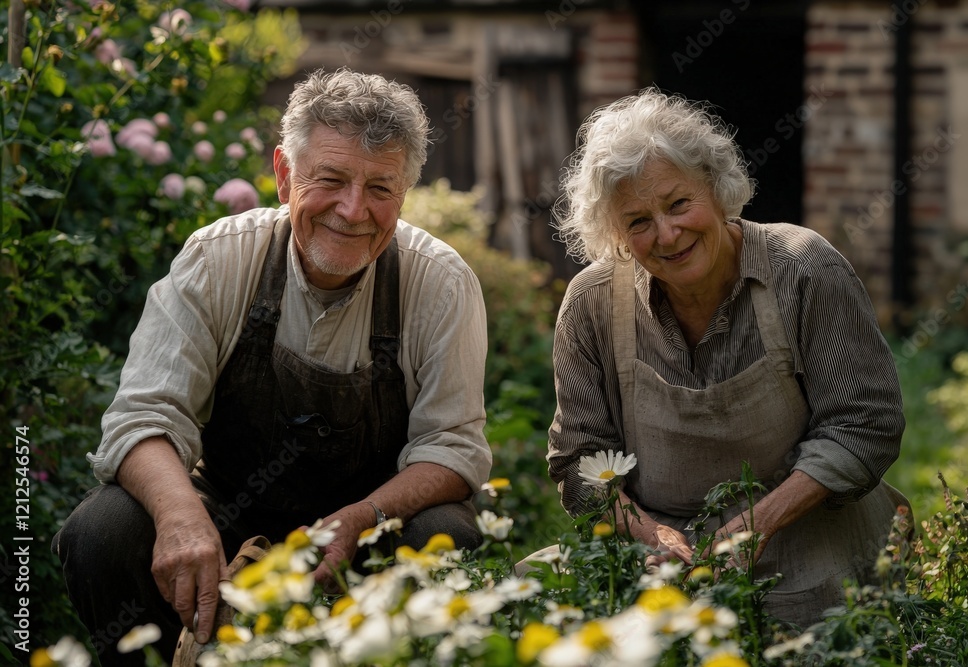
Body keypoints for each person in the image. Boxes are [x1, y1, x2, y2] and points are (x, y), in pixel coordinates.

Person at [54, 68, 491, 665]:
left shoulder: (440, 284)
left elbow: (452, 449)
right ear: (284, 174)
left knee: (448, 536)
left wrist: (361, 518)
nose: (353, 210)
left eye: (381, 189)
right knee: (102, 530)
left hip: (368, 534)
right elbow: (142, 414)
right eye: (331, 180)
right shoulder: (218, 258)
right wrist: (182, 517)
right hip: (225, 518)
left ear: (405, 193)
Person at [545, 88, 908, 628]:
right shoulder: (591, 301)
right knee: (533, 607)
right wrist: (654, 537)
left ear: (718, 191)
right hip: (661, 553)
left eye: (678, 204)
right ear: (616, 234)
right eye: (638, 221)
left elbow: (866, 425)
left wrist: (759, 523)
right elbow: (579, 461)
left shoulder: (801, 268)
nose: (667, 234)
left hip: (806, 533)